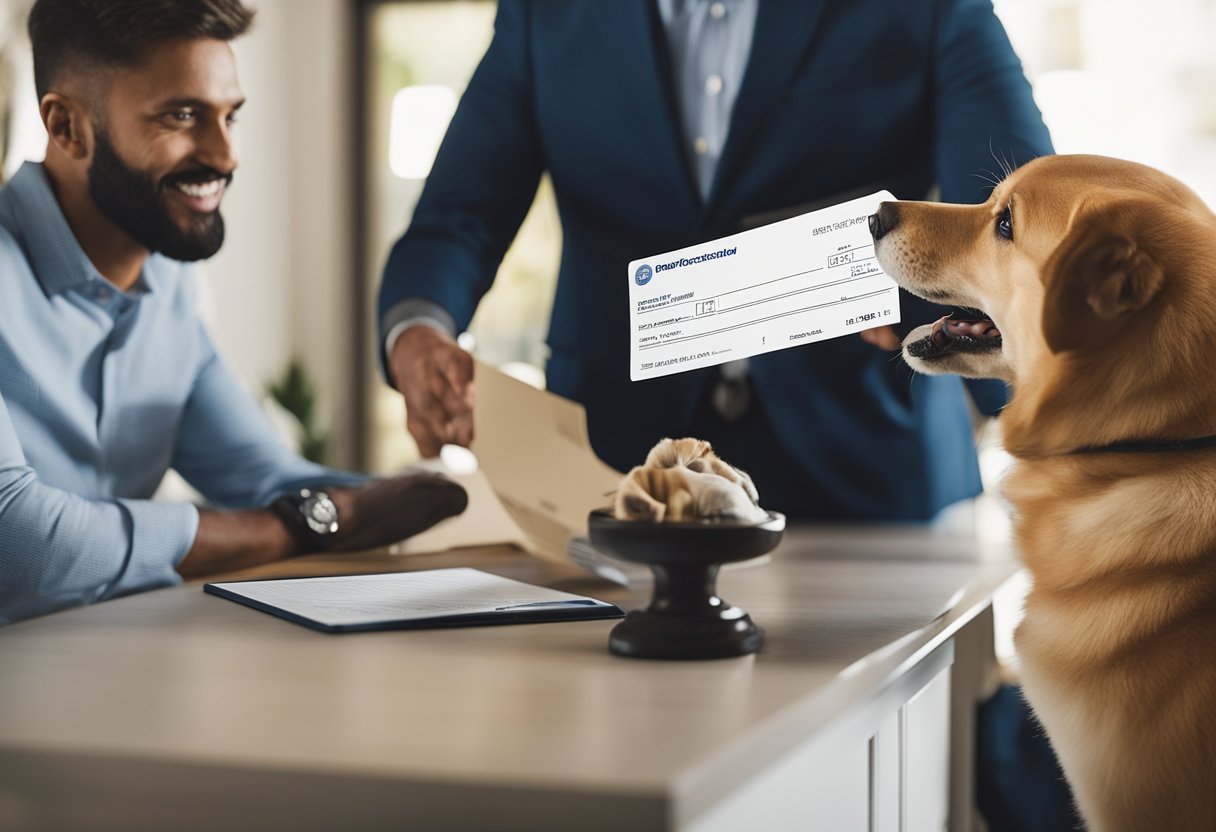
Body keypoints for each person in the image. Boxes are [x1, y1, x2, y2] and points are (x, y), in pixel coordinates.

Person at [378, 0, 1054, 523]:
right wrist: (419, 328)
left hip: (868, 477)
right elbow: (458, 216)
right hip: (616, 477)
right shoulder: (544, 10)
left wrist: (915, 296)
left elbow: (1020, 223)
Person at [0, 0, 468, 626]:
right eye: (182, 115)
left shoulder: (171, 287)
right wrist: (293, 529)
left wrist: (455, 490)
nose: (225, 155)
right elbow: (19, 546)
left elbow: (264, 476)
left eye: (230, 116)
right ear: (66, 127)